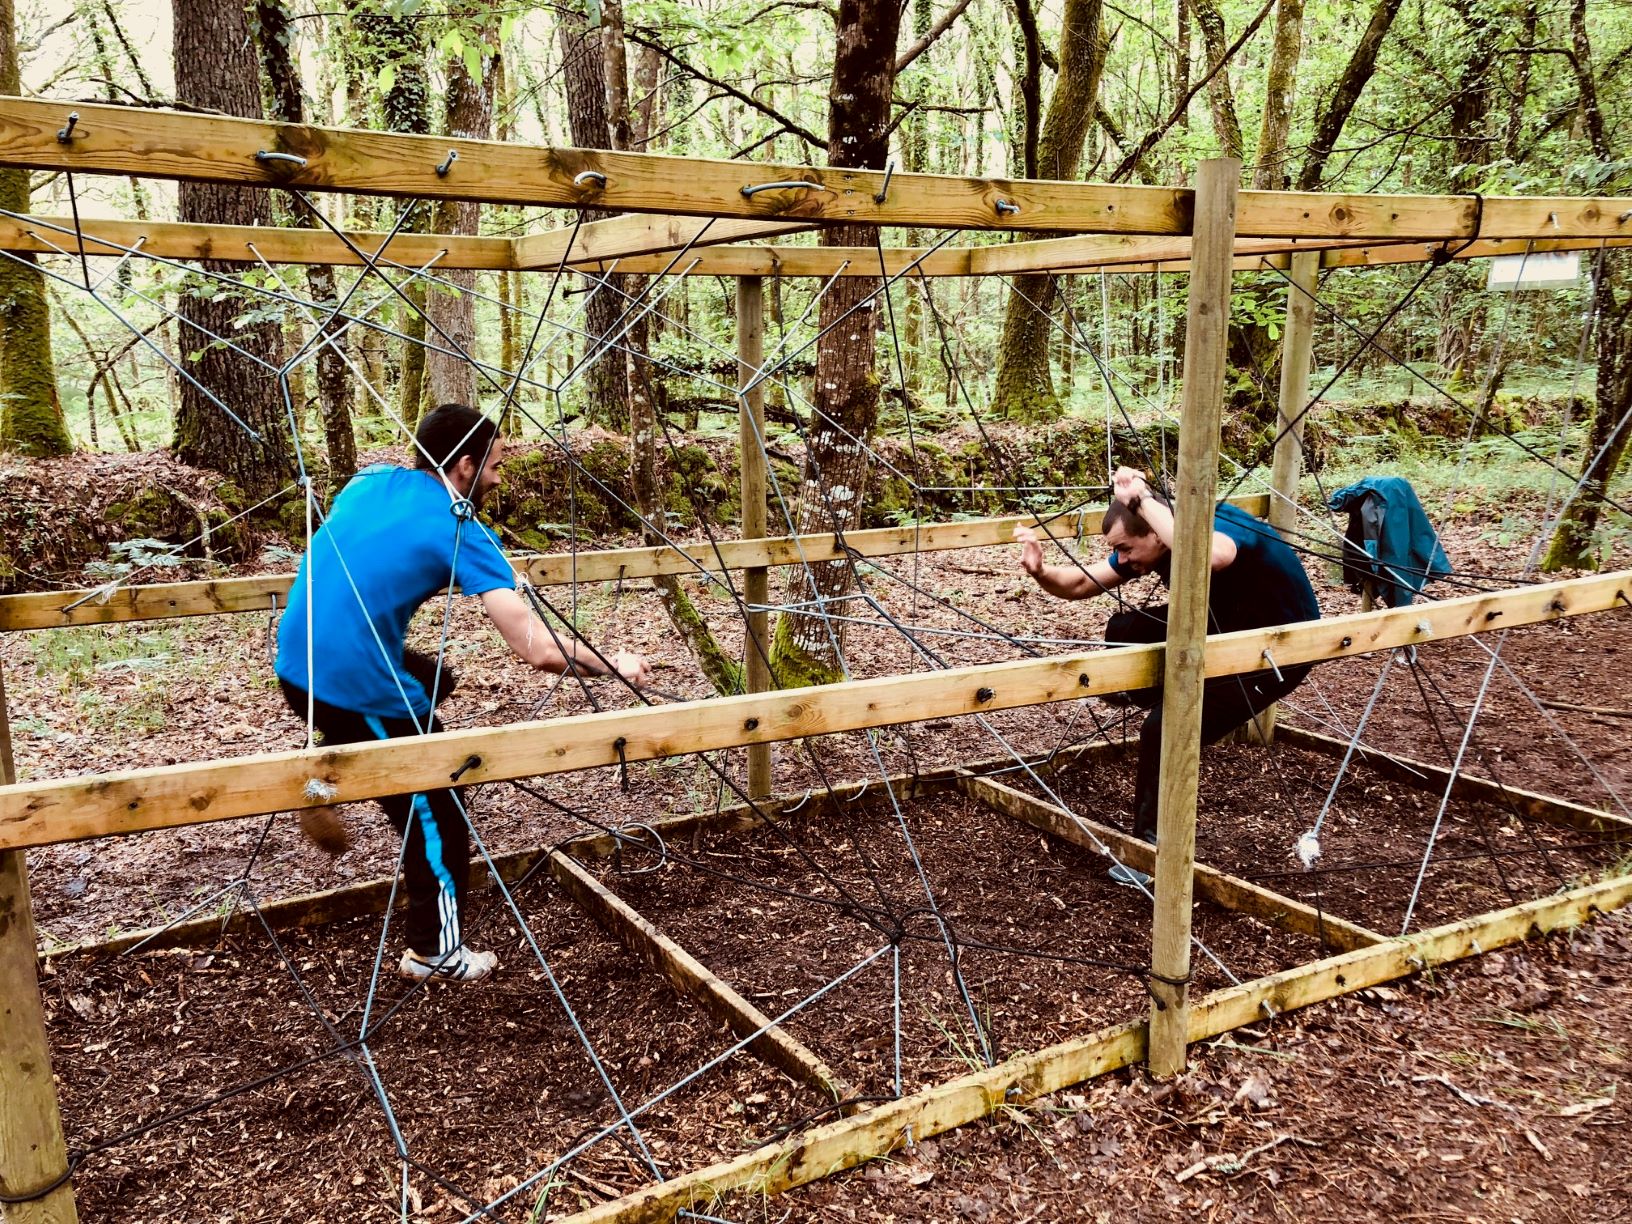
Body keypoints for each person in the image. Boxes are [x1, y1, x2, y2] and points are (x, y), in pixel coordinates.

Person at [275, 403, 650, 982]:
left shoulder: (370, 479)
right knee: (439, 811)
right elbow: (539, 649)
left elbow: (376, 547)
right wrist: (615, 666)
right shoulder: (458, 526)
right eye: (495, 465)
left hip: (297, 663)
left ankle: (327, 769)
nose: (499, 478)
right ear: (465, 465)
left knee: (435, 680)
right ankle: (434, 953)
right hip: (353, 679)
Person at [1015, 466, 1320, 882]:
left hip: (1277, 650)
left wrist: (1141, 499)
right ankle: (1160, 698)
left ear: (1156, 533)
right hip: (1223, 626)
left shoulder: (1212, 535)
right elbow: (1079, 585)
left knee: (1165, 731)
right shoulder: (1159, 540)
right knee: (1126, 630)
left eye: (1125, 549)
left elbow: (1209, 557)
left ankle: (1150, 853)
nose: (1122, 560)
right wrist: (1040, 571)